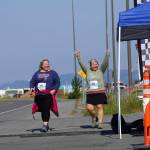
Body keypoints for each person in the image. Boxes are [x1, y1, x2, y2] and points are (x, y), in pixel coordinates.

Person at [75, 49, 109, 129]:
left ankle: (100, 123)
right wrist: (78, 56)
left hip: (100, 92)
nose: (95, 65)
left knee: (99, 106)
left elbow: (105, 63)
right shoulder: (87, 71)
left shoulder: (101, 70)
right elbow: (81, 64)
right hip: (90, 93)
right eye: (93, 64)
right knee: (89, 108)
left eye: (96, 63)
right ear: (90, 65)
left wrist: (107, 55)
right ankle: (94, 117)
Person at [30, 59, 60, 132]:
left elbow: (57, 82)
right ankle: (46, 123)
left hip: (48, 94)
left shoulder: (53, 73)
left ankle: (45, 125)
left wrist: (54, 90)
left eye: (48, 64)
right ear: (41, 65)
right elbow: (32, 82)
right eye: (45, 64)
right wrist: (32, 89)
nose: (47, 65)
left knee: (46, 108)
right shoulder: (37, 73)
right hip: (39, 95)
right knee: (43, 110)